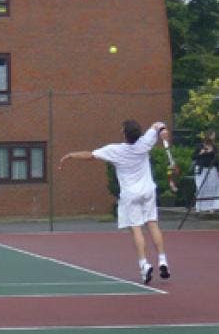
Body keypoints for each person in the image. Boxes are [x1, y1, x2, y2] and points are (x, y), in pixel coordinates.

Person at [59, 119, 174, 284]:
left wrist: (70, 155)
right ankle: (163, 261)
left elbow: (90, 155)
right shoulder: (145, 142)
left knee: (136, 229)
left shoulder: (115, 150)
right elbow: (157, 124)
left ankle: (144, 265)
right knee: (152, 224)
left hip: (131, 195)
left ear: (124, 134)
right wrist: (162, 129)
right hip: (148, 191)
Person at [191, 133, 219, 214]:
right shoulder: (199, 146)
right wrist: (201, 153)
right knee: (201, 187)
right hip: (202, 169)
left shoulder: (214, 147)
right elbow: (193, 156)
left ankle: (212, 207)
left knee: (212, 188)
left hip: (212, 170)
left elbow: (217, 160)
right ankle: (199, 207)